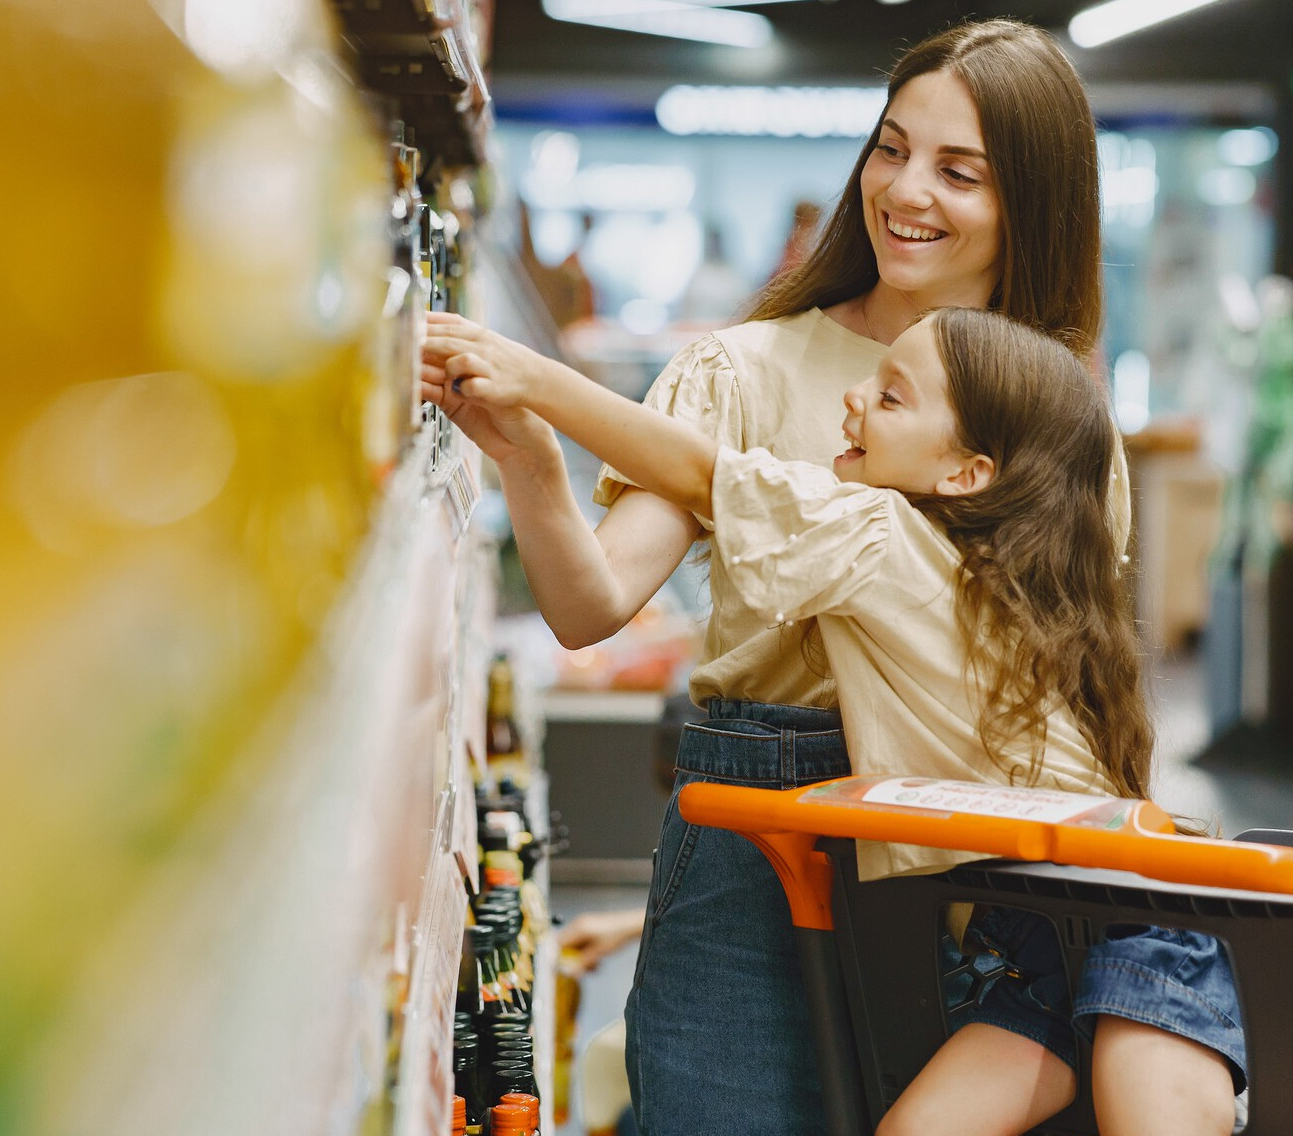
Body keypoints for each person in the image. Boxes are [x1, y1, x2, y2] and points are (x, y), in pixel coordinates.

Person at [428, 19, 1138, 1134]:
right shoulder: (745, 366)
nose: (905, 190)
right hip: (756, 835)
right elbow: (587, 603)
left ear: (1032, 205)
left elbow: (1067, 663)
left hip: (982, 866)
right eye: (891, 148)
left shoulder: (1057, 418)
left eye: (959, 172)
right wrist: (529, 457)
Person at [423, 305, 1244, 1136]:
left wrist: (533, 379)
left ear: (966, 472)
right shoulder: (1001, 575)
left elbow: (704, 473)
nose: (852, 397)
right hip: (1029, 950)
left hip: (1134, 926)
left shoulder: (888, 539)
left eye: (891, 396)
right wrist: (529, 448)